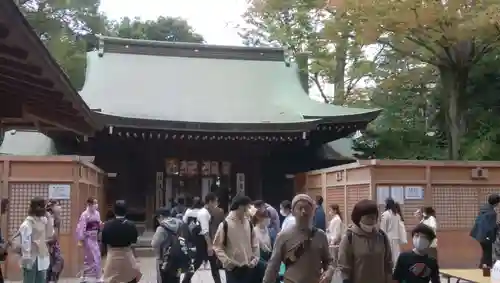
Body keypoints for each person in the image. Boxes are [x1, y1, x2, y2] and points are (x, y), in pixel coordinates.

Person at [263, 194, 333, 283]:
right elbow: (273, 266)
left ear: (313, 211)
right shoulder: (283, 236)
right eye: (300, 208)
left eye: (307, 208)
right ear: (292, 212)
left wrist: (329, 272)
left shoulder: (320, 235)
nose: (304, 212)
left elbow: (329, 262)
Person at [337, 199, 392, 283]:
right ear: (358, 218)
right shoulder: (349, 237)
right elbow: (344, 268)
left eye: (374, 217)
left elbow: (388, 264)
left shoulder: (382, 236)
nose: (372, 220)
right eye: (368, 217)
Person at [213, 195, 259, 283]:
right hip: (233, 268)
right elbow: (217, 246)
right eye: (248, 207)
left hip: (249, 266)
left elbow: (255, 243)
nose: (250, 210)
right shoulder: (225, 224)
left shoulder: (248, 223)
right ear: (241, 207)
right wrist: (227, 262)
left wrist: (255, 258)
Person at [182, 193, 222, 283]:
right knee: (198, 263)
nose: (216, 204)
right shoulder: (204, 213)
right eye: (215, 202)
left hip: (203, 240)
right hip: (202, 241)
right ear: (210, 202)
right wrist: (209, 246)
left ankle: (186, 280)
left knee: (211, 264)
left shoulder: (205, 212)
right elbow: (205, 231)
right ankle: (185, 280)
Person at [101, 200, 141, 283]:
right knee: (131, 278)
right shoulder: (131, 225)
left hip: (112, 256)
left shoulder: (107, 225)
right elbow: (134, 241)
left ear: (114, 211)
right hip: (127, 255)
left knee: (111, 279)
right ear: (126, 211)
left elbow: (104, 241)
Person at [20, 197, 54, 283]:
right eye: (41, 206)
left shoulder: (43, 220)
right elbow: (25, 242)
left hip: (42, 257)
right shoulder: (27, 223)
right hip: (31, 258)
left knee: (41, 280)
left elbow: (50, 234)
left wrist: (49, 217)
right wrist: (27, 258)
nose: (43, 209)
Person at [151, 208, 185, 283]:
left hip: (164, 259)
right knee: (176, 278)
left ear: (160, 216)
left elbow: (154, 243)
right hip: (179, 258)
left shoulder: (161, 228)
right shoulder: (180, 224)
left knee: (163, 279)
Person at [76, 197, 102, 283]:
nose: (96, 205)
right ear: (89, 204)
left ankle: (97, 276)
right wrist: (81, 239)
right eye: (94, 203)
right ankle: (87, 277)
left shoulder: (97, 213)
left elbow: (98, 223)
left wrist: (100, 225)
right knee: (90, 257)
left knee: (97, 255)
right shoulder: (85, 214)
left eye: (96, 203)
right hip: (88, 238)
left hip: (95, 238)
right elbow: (81, 227)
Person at [472, 194, 499, 270]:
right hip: (486, 236)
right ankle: (485, 270)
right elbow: (491, 227)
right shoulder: (492, 213)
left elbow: (483, 222)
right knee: (488, 254)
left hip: (479, 234)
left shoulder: (484, 209)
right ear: (496, 203)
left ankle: (482, 268)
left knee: (485, 253)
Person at [251, 209, 278, 283]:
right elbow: (252, 253)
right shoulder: (253, 232)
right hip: (259, 267)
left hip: (271, 266)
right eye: (267, 217)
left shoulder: (271, 231)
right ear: (260, 218)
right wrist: (265, 264)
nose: (269, 219)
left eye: (269, 217)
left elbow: (275, 248)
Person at [380, 198, 404, 264]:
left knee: (389, 256)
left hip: (388, 238)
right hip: (396, 237)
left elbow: (383, 229)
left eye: (385, 203)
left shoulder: (385, 214)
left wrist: (381, 238)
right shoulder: (397, 214)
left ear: (387, 204)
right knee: (396, 255)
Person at [46, 200, 64, 283]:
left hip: (54, 245)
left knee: (59, 262)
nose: (59, 207)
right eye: (57, 205)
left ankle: (53, 279)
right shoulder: (46, 217)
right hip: (45, 244)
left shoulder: (57, 219)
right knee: (49, 266)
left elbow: (55, 235)